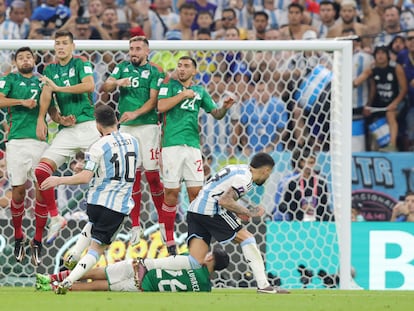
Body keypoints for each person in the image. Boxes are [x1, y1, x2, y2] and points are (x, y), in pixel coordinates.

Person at [142, 152, 290, 294]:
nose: (268, 176)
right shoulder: (246, 180)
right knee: (248, 238)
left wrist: (237, 211)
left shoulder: (237, 168)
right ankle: (264, 285)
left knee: (195, 261)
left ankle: (147, 265)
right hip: (211, 210)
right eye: (269, 173)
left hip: (195, 210)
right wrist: (249, 212)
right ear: (266, 170)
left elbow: (219, 191)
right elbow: (224, 200)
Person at [40, 104, 140, 295]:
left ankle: (75, 254)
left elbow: (87, 176)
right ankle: (68, 281)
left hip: (96, 202)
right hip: (117, 206)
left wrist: (58, 179)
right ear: (116, 120)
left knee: (93, 224)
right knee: (96, 249)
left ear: (98, 124)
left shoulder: (98, 145)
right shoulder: (133, 141)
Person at [34, 30, 101, 265]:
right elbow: (48, 98)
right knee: (40, 171)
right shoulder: (50, 70)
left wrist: (58, 89)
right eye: (57, 44)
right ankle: (55, 217)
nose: (60, 47)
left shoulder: (81, 63)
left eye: (64, 43)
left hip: (89, 126)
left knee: (104, 172)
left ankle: (106, 216)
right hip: (68, 130)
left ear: (72, 46)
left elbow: (88, 86)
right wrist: (50, 118)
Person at [157, 55, 235, 255]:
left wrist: (225, 108)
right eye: (179, 66)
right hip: (171, 146)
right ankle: (169, 239)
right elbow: (161, 107)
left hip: (192, 147)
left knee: (196, 195)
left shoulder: (200, 91)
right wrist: (183, 95)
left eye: (186, 66)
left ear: (194, 72)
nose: (181, 69)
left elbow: (215, 114)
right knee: (171, 194)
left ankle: (196, 239)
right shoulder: (169, 86)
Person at [102, 36, 165, 247]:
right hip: (127, 128)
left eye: (138, 48)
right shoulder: (122, 67)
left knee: (153, 177)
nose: (133, 52)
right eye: (131, 49)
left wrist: (136, 112)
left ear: (147, 51)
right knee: (132, 178)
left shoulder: (156, 71)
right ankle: (135, 225)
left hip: (148, 127)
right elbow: (106, 87)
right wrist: (117, 82)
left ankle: (164, 222)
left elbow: (154, 99)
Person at [0, 47, 50, 264]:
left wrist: (61, 118)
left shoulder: (43, 82)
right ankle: (19, 236)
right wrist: (22, 102)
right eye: (20, 57)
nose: (25, 60)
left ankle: (37, 240)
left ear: (34, 59)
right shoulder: (9, 79)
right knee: (18, 191)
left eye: (28, 56)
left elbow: (52, 108)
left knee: (43, 190)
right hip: (17, 142)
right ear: (16, 62)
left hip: (40, 141)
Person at [35, 248, 229, 292]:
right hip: (142, 286)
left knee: (95, 273)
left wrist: (143, 265)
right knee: (97, 287)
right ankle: (50, 288)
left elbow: (166, 262)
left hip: (140, 267)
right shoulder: (205, 288)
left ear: (210, 257)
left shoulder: (191, 261)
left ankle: (49, 278)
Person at [278, 148, 334, 221]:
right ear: (301, 163)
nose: (309, 166)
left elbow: (326, 206)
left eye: (311, 163)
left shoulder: (322, 182)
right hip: (297, 224)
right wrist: (300, 207)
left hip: (318, 224)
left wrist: (314, 207)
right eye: (306, 163)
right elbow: (282, 206)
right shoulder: (292, 182)